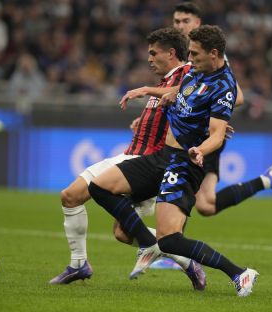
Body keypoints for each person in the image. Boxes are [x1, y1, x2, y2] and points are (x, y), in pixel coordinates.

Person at [89, 25, 258, 297]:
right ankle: (147, 243)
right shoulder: (197, 70)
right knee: (99, 187)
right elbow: (185, 88)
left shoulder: (224, 86)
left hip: (184, 163)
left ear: (214, 54)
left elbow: (217, 134)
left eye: (195, 53)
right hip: (162, 157)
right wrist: (150, 91)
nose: (189, 58)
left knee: (169, 240)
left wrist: (201, 150)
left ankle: (240, 273)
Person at [49, 28, 206, 291]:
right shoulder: (166, 81)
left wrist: (146, 89)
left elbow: (207, 88)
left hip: (147, 162)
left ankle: (176, 256)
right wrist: (143, 120)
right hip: (130, 155)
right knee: (98, 216)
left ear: (171, 53)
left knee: (87, 206)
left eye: (153, 53)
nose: (149, 58)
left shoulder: (187, 72)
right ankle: (80, 264)